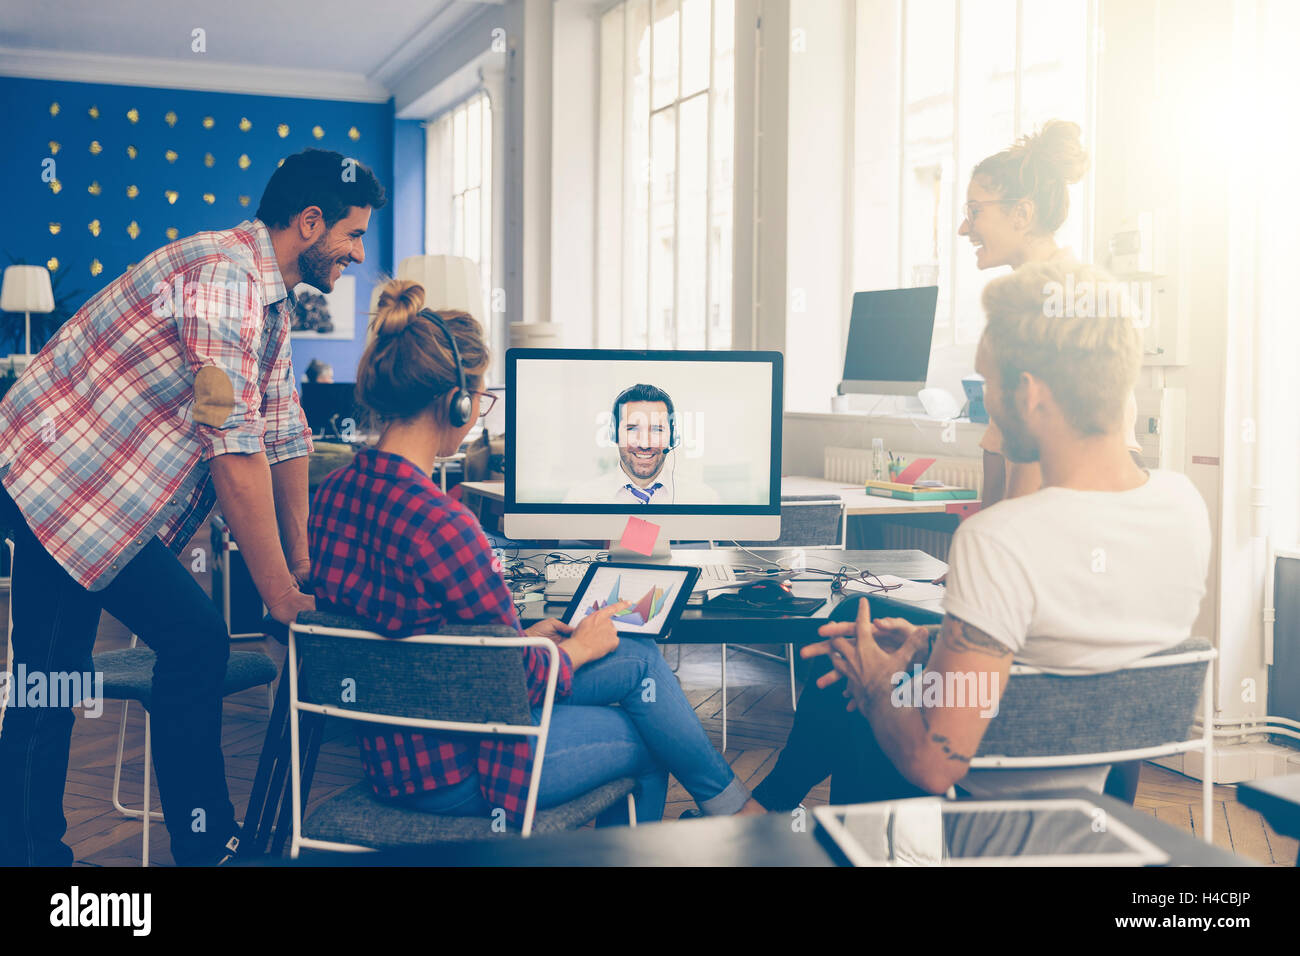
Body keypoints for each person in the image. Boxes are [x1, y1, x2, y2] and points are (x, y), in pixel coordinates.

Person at [0, 148, 385, 866]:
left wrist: (301, 568)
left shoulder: (268, 300)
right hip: (59, 479)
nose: (359, 254)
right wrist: (278, 597)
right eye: (353, 235)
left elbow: (283, 433)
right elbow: (234, 448)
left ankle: (199, 840)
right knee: (62, 672)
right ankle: (88, 854)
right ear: (309, 222)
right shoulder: (225, 281)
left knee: (113, 657)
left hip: (99, 498)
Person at [741, 258, 1210, 813]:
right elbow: (1071, 642)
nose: (984, 401)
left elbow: (932, 763)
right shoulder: (1185, 501)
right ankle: (763, 814)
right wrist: (932, 650)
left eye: (987, 382)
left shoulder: (1001, 538)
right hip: (1092, 800)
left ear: (1031, 394)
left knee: (851, 676)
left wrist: (879, 686)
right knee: (860, 641)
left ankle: (769, 819)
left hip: (981, 816)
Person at [308, 280, 753, 826]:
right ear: (458, 402)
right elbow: (515, 684)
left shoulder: (330, 496)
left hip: (392, 753)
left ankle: (735, 811)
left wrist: (521, 637)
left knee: (640, 660)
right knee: (650, 736)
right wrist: (578, 649)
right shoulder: (444, 526)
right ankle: (733, 816)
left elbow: (415, 638)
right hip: (464, 767)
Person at [957, 119, 1144, 507]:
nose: (964, 227)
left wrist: (990, 549)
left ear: (1021, 215)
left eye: (975, 211)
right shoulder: (1015, 305)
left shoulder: (1069, 302)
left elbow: (1036, 451)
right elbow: (999, 451)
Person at [564, 384, 720, 505]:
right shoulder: (580, 499)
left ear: (672, 437)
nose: (644, 444)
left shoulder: (705, 500)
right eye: (632, 429)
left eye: (657, 429)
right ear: (614, 434)